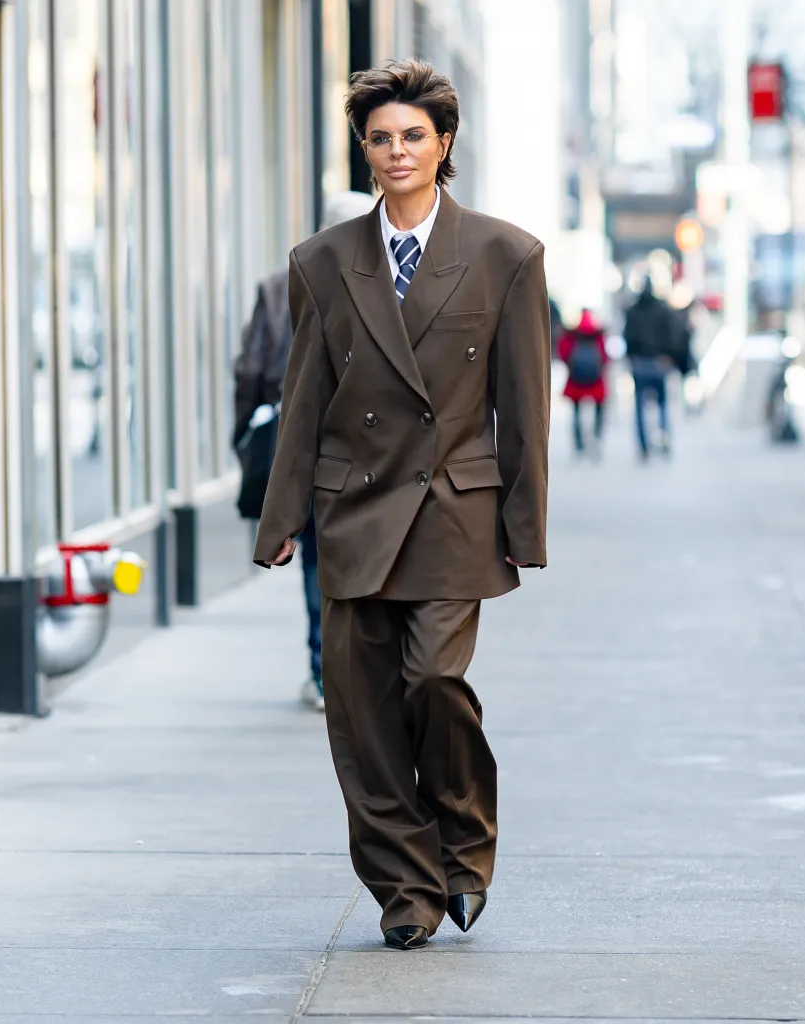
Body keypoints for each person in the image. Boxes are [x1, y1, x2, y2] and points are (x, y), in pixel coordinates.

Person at [253, 58, 551, 951]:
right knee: (361, 710)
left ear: (443, 144)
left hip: (455, 511)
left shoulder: (506, 255)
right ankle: (406, 889)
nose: (395, 151)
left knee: (431, 681)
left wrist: (525, 527)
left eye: (412, 135)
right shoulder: (324, 261)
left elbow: (523, 406)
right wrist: (278, 523)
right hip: (354, 510)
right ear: (364, 149)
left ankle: (464, 842)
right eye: (380, 137)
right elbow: (303, 399)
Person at [234, 192, 376, 712]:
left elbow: (250, 369)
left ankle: (324, 673)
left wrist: (245, 433)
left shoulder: (279, 286)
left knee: (316, 559)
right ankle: (361, 667)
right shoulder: (386, 287)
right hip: (367, 451)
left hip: (302, 447)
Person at [623, 278, 677, 458]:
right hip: (658, 362)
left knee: (639, 406)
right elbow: (671, 333)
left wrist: (632, 357)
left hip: (640, 362)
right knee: (662, 404)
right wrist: (667, 355)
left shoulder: (633, 311)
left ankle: (644, 445)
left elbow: (627, 336)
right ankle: (664, 439)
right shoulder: (661, 310)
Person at [558, 308, 607, 456]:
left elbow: (563, 351)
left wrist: (571, 366)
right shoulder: (597, 334)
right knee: (599, 409)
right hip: (595, 380)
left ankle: (579, 443)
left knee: (576, 411)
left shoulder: (572, 334)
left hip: (576, 379)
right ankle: (596, 437)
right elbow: (604, 355)